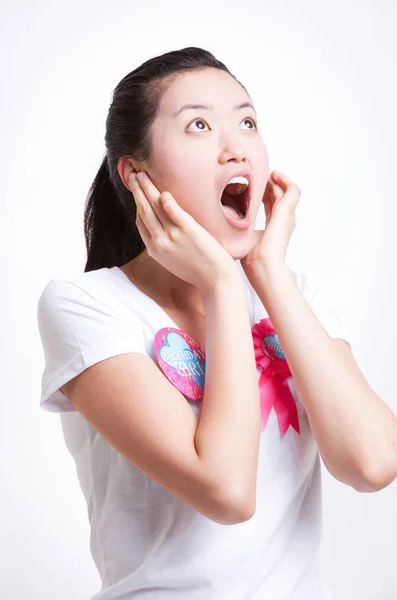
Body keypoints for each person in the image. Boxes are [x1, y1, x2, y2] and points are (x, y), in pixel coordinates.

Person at [37, 46, 397, 600]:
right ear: (136, 176)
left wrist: (266, 272)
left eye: (247, 122)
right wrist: (224, 285)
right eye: (199, 125)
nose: (236, 149)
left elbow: (372, 464)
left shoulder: (292, 295)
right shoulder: (87, 306)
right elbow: (227, 491)